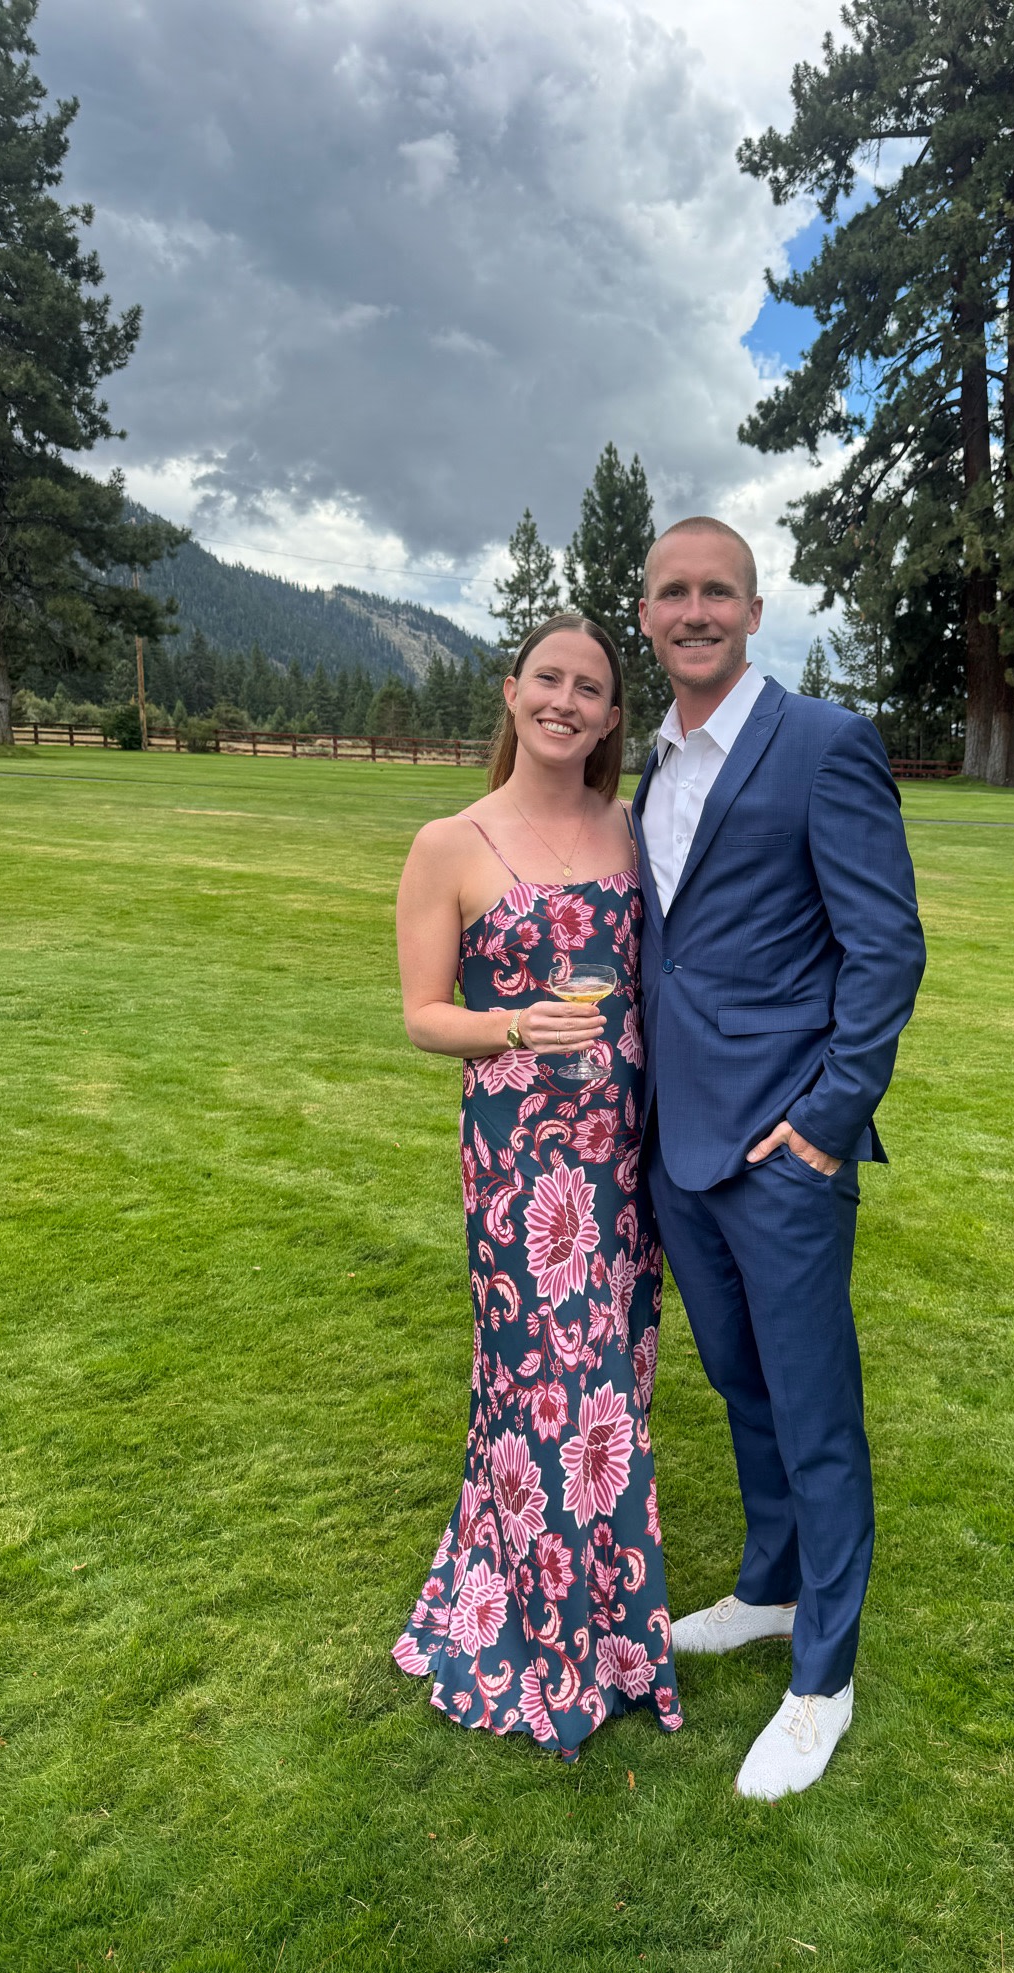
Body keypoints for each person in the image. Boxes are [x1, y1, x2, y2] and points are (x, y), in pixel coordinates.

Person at [633, 518, 925, 1800]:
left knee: (814, 1408)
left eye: (718, 591)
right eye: (672, 591)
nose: (694, 610)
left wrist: (827, 1120)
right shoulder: (652, 764)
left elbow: (886, 947)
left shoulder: (824, 743)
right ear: (648, 613)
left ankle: (824, 1675)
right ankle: (768, 1584)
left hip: (784, 1148)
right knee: (742, 1382)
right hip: (678, 1143)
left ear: (754, 612)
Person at [391, 612, 681, 1758]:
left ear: (611, 718)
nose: (566, 700)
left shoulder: (632, 828)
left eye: (590, 688)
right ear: (511, 693)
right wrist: (513, 1022)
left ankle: (608, 1614)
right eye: (548, 678)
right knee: (543, 1387)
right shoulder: (448, 842)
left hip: (625, 1157)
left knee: (614, 1384)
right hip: (521, 1168)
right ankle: (553, 1638)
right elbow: (424, 1014)